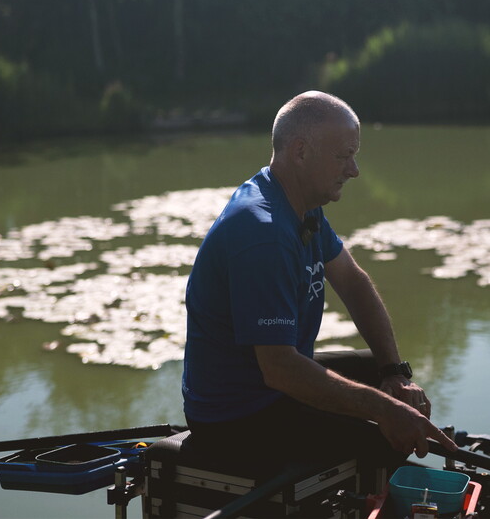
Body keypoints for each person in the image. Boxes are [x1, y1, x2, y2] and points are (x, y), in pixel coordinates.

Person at [181, 91, 457, 468]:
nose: (355, 169)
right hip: (236, 417)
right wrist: (384, 409)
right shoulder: (264, 233)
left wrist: (394, 374)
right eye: (344, 156)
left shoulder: (300, 204)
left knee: (375, 370)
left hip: (270, 387)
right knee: (383, 441)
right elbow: (279, 368)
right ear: (300, 151)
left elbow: (353, 282)